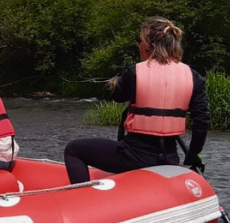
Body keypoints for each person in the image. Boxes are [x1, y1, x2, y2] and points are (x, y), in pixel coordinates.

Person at [64, 17, 209, 183]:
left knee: (73, 149)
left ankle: (82, 200)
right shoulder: (193, 77)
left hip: (135, 157)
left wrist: (117, 82)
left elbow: (118, 97)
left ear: (150, 46)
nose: (138, 45)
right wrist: (192, 154)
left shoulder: (134, 72)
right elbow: (202, 121)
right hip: (169, 159)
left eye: (140, 41)